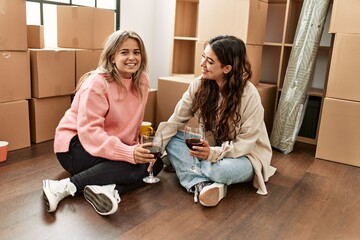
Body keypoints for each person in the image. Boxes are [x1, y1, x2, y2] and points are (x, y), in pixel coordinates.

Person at [42, 30, 163, 216]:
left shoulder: (142, 82)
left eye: (136, 52)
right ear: (112, 57)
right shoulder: (97, 83)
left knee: (155, 164)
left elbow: (133, 123)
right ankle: (64, 186)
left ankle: (106, 188)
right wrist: (129, 153)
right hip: (75, 146)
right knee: (132, 165)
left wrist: (136, 149)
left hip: (108, 143)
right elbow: (90, 134)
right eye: (124, 52)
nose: (132, 57)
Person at [157, 35, 277, 207]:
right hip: (211, 148)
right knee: (172, 137)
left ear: (227, 68)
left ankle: (193, 173)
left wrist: (211, 154)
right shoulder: (199, 84)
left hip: (245, 156)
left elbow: (246, 144)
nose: (202, 64)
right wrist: (154, 147)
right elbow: (175, 120)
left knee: (220, 170)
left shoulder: (249, 95)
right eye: (203, 57)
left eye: (210, 61)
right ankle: (203, 185)